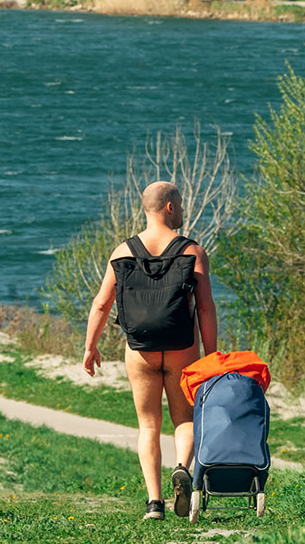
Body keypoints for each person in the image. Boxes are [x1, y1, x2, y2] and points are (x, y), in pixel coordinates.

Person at [82, 180, 217, 520]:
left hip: (140, 349)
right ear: (169, 207)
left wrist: (90, 346)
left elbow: (101, 305)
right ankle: (182, 469)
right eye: (181, 204)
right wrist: (212, 355)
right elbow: (205, 308)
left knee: (148, 426)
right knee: (184, 419)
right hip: (181, 347)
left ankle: (154, 503)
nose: (183, 210)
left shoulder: (122, 252)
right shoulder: (192, 251)